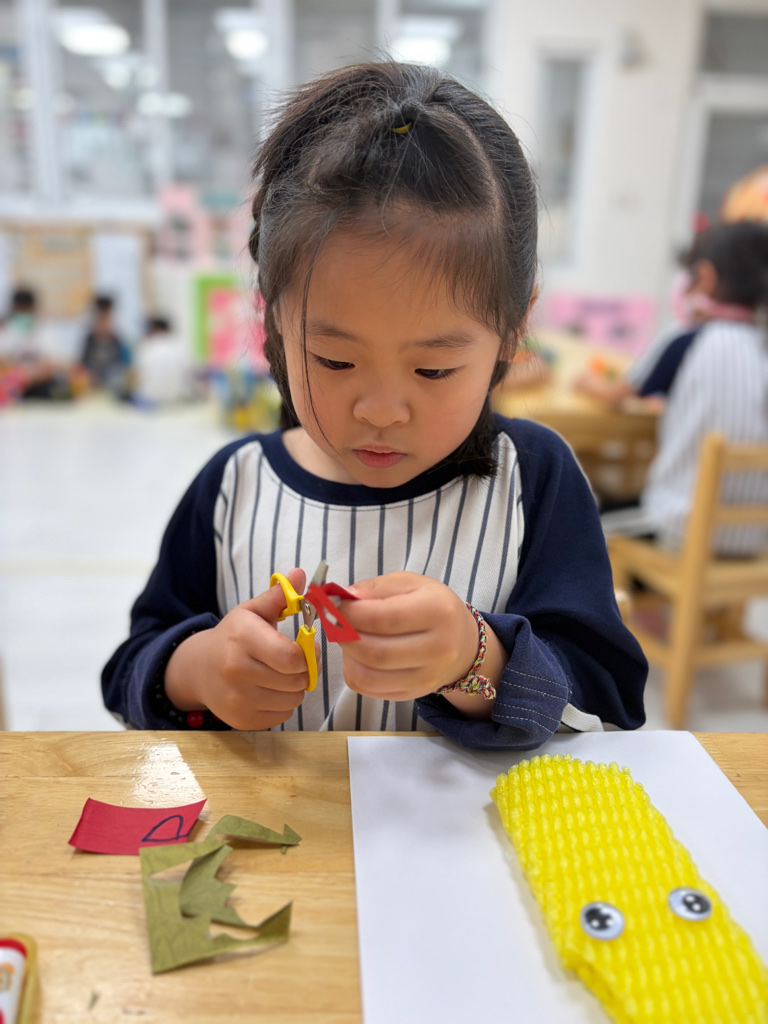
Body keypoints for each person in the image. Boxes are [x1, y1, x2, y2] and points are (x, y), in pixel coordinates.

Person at [102, 61, 646, 746]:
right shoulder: (233, 487)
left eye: (433, 368)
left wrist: (473, 659)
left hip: (473, 821)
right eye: (334, 360)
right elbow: (130, 672)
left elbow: (607, 701)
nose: (382, 411)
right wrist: (197, 671)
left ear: (513, 331)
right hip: (280, 819)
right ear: (274, 319)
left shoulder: (532, 480)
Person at [601, 220, 768, 554]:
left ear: (704, 277)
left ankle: (634, 589)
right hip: (753, 540)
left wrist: (584, 381)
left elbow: (615, 396)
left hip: (681, 530)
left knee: (591, 523)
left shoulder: (687, 339)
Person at [79, 295, 131, 397]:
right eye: (100, 319)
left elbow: (123, 364)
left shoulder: (117, 340)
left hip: (111, 382)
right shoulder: (90, 339)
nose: (103, 323)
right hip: (91, 382)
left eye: (107, 318)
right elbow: (83, 363)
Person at [132, 316, 190, 407]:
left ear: (155, 329)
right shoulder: (180, 348)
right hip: (175, 401)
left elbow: (137, 378)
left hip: (151, 402)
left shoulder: (147, 347)